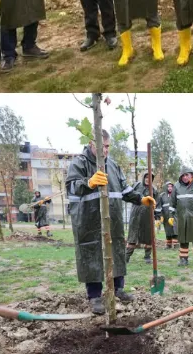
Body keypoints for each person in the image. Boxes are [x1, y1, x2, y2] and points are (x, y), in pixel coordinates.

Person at [65, 129, 156, 314]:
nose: (105, 151)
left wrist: (140, 199)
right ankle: (95, 296)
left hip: (112, 220)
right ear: (92, 143)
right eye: (102, 146)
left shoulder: (113, 166)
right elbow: (71, 187)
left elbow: (124, 189)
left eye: (107, 147)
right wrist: (88, 183)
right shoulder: (78, 164)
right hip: (88, 221)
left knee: (116, 250)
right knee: (92, 255)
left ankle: (118, 288)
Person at [170, 169, 193, 268]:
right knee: (183, 239)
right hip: (181, 218)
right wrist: (171, 216)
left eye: (187, 175)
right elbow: (172, 203)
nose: (185, 177)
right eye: (183, 175)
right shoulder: (177, 186)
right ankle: (183, 259)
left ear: (191, 175)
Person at [124, 172, 160, 264]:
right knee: (133, 236)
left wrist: (157, 217)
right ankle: (126, 256)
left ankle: (147, 256)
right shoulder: (137, 185)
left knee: (149, 236)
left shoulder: (154, 190)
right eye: (146, 177)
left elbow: (157, 204)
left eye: (150, 178)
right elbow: (129, 195)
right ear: (144, 178)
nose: (148, 179)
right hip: (135, 214)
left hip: (148, 216)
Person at [161, 181, 178, 249]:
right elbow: (160, 206)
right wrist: (161, 215)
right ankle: (168, 245)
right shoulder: (162, 196)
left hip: (175, 216)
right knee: (168, 231)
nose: (170, 188)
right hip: (166, 216)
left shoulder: (176, 195)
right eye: (168, 186)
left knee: (175, 230)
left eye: (171, 186)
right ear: (166, 187)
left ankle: (176, 245)